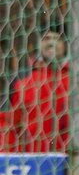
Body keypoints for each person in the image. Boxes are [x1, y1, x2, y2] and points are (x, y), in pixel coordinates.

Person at [0, 20, 69, 153]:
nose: (51, 43)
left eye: (57, 38)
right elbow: (15, 125)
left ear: (65, 45)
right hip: (35, 158)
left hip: (71, 158)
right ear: (39, 44)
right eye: (46, 38)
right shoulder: (25, 84)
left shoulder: (76, 81)